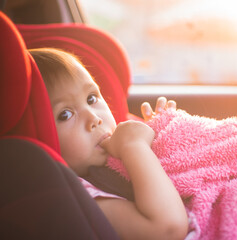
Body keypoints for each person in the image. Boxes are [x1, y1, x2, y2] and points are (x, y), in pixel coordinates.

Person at [29, 48, 189, 240]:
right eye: (65, 114)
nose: (94, 118)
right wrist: (135, 146)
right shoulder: (78, 196)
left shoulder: (114, 148)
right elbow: (166, 230)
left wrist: (166, 137)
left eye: (91, 98)